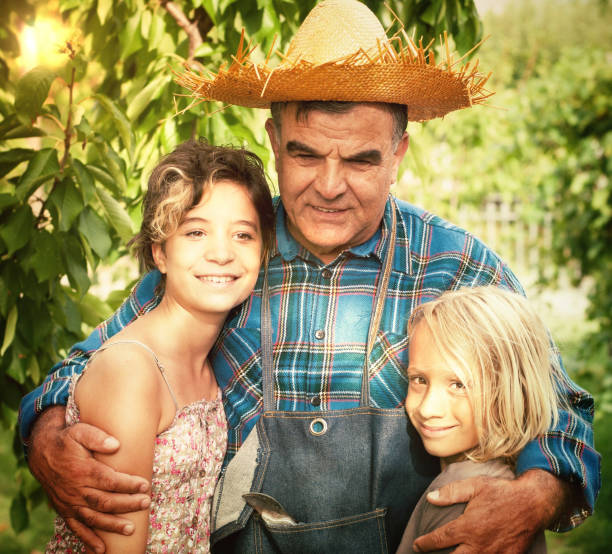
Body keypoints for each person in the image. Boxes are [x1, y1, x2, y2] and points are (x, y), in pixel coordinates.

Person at [19, 1, 600, 553]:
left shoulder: (457, 268)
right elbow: (83, 370)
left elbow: (559, 412)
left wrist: (534, 497)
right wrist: (48, 438)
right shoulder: (223, 260)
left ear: (399, 153)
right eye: (305, 155)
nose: (327, 185)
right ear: (273, 144)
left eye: (359, 160)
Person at [45, 139, 275, 552]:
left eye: (243, 234)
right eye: (195, 232)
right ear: (160, 253)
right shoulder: (132, 371)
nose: (221, 253)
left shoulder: (206, 362)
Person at [396, 286, 569, 553]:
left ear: (514, 390)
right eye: (419, 380)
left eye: (458, 385)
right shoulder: (502, 480)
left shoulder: (462, 501)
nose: (429, 408)